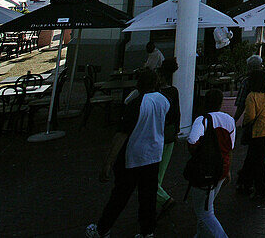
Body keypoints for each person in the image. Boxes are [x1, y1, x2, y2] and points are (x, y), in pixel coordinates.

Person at [86, 68, 170, 238]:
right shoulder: (164, 101)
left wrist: (108, 162)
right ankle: (147, 231)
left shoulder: (136, 104)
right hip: (154, 155)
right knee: (148, 197)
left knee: (120, 196)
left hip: (133, 157)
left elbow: (121, 135)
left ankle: (102, 229)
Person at [186, 88, 236, 238]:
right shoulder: (229, 120)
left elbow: (192, 140)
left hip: (205, 170)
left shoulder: (201, 120)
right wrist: (228, 170)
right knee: (207, 206)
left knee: (205, 212)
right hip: (222, 168)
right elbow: (230, 148)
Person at [237, 69, 265, 199]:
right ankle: (245, 181)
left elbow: (250, 115)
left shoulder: (251, 96)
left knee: (258, 160)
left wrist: (244, 124)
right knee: (253, 156)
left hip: (258, 131)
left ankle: (263, 189)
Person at [155, 58, 181, 211]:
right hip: (169, 133)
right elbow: (177, 113)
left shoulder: (154, 94)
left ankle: (162, 198)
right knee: (161, 169)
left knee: (155, 170)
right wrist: (177, 130)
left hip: (156, 134)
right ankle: (160, 196)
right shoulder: (173, 91)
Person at [233, 54, 265, 122]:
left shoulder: (246, 82)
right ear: (261, 66)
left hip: (253, 123)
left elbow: (241, 105)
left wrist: (234, 121)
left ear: (249, 68)